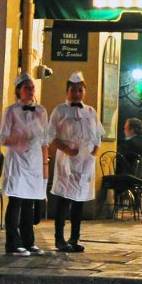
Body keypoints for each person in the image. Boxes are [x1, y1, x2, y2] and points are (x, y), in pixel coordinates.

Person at [48, 71, 103, 253]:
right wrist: (66, 150)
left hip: (86, 162)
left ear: (84, 91)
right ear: (67, 91)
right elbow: (51, 136)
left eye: (80, 90)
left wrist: (93, 154)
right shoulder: (60, 111)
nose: (77, 93)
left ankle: (74, 238)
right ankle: (59, 239)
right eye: (73, 90)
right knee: (65, 200)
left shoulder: (90, 111)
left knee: (80, 201)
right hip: (67, 161)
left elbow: (97, 136)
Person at [0, 73, 49, 255]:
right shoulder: (11, 111)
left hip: (34, 162)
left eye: (32, 87)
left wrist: (45, 165)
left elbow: (45, 140)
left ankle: (29, 241)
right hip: (18, 162)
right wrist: (18, 139)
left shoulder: (41, 112)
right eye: (27, 87)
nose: (30, 91)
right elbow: (2, 138)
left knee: (30, 203)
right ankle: (12, 243)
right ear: (18, 91)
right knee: (16, 201)